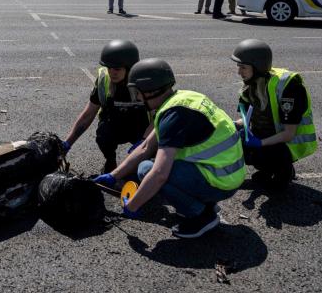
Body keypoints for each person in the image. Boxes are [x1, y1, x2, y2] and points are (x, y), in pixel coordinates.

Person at [95, 58, 245, 238]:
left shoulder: (172, 116)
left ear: (149, 91)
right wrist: (113, 176)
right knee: (150, 165)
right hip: (226, 173)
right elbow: (145, 148)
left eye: (138, 92)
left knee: (147, 170)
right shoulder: (180, 100)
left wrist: (132, 205)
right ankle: (204, 202)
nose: (138, 98)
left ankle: (202, 215)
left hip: (221, 180)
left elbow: (159, 174)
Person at [230, 39, 316, 190]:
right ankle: (267, 168)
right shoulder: (251, 85)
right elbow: (245, 118)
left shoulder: (288, 87)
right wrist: (228, 127)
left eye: (243, 67)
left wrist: (259, 144)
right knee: (233, 141)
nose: (239, 72)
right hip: (268, 135)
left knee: (262, 155)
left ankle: (284, 172)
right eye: (239, 67)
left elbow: (289, 134)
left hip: (289, 143)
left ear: (257, 67)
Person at [63, 40, 150, 174]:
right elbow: (88, 114)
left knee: (143, 169)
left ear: (129, 68)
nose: (111, 72)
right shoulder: (104, 79)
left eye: (117, 69)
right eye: (109, 68)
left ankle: (138, 162)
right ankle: (110, 161)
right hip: (115, 125)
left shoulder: (144, 83)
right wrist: (67, 144)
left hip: (142, 129)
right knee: (103, 134)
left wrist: (145, 143)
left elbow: (159, 119)